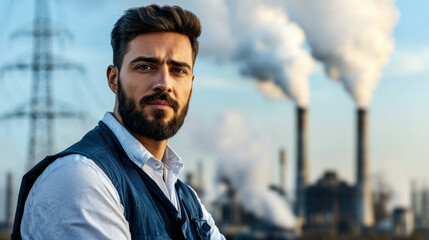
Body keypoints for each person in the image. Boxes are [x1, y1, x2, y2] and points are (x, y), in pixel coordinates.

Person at [11, 4, 225, 240]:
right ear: (114, 79)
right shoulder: (80, 177)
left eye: (178, 71)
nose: (164, 83)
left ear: (191, 85)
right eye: (145, 67)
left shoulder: (187, 200)